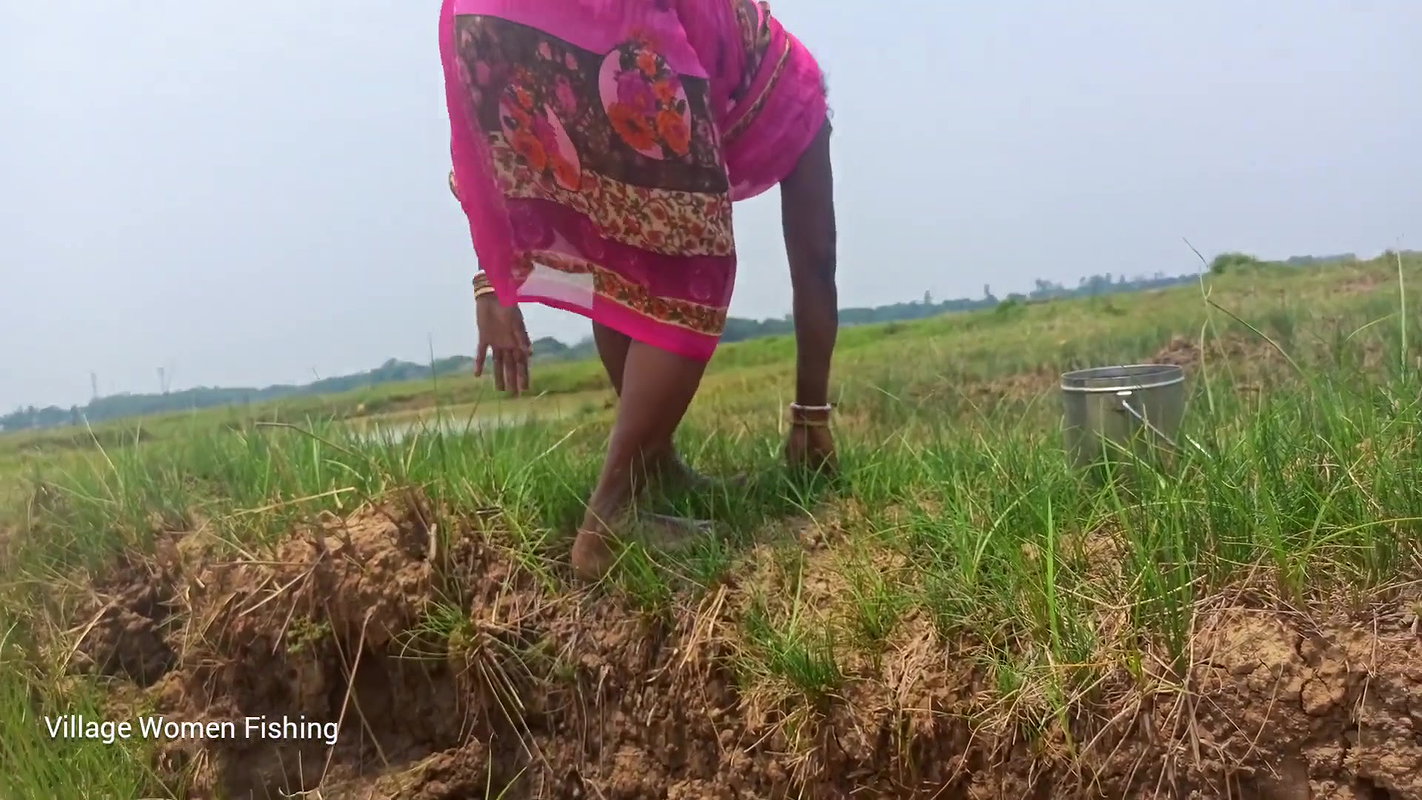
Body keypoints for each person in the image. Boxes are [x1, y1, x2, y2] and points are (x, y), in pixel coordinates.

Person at [440, 0, 839, 579]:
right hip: (613, 18)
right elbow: (817, 261)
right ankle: (611, 517)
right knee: (689, 260)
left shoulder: (734, 36)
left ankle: (653, 470)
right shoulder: (800, 100)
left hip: (482, 19)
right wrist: (811, 418)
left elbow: (485, 141)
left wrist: (489, 281)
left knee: (629, 247)